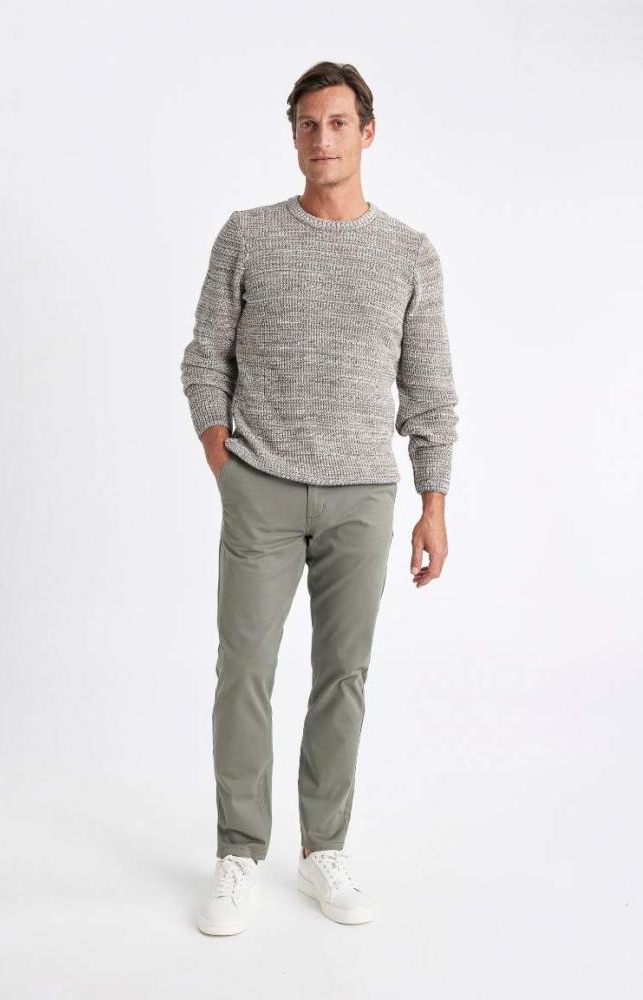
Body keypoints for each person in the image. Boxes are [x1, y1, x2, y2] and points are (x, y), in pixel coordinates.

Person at [181, 61, 459, 936]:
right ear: (293, 134)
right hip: (260, 487)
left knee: (343, 676)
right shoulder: (248, 235)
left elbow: (430, 391)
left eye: (338, 123)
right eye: (308, 124)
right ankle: (238, 853)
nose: (322, 139)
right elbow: (205, 359)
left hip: (362, 497)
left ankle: (322, 851)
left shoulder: (409, 252)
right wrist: (227, 465)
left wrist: (433, 502)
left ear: (367, 133)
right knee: (244, 671)